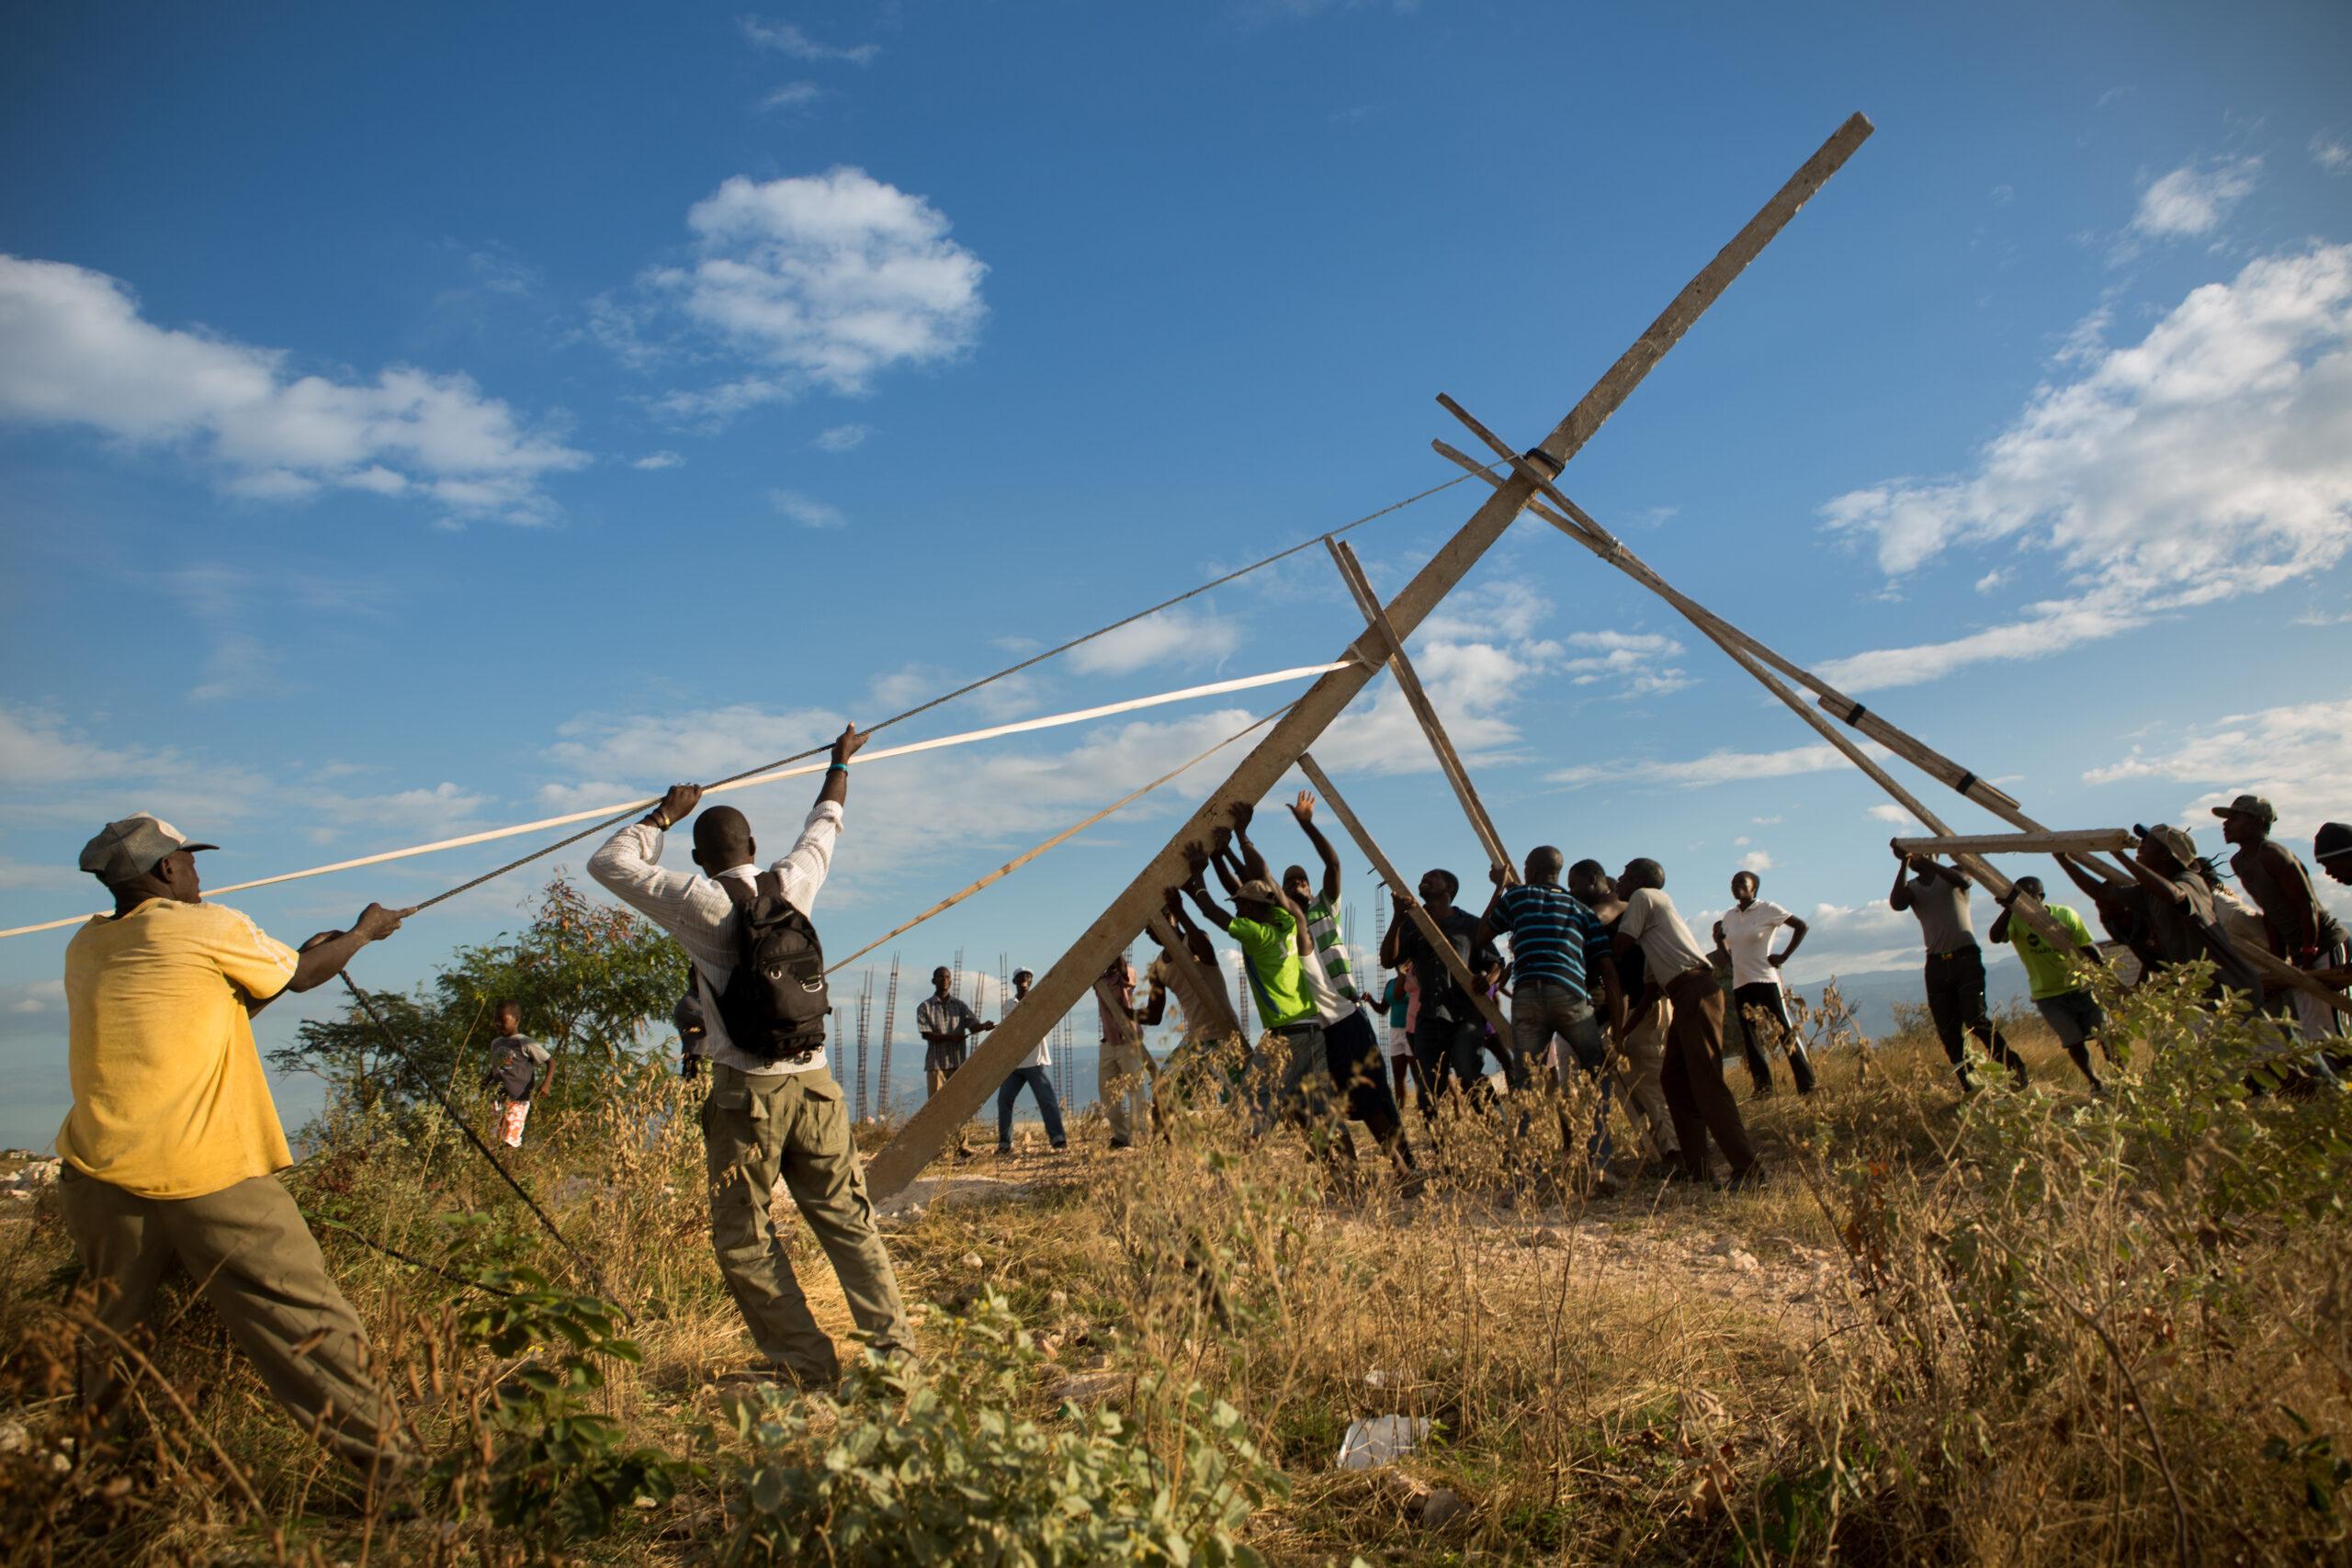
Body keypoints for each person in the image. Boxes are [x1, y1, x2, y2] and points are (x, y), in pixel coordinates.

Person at [57, 813, 418, 1477]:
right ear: (166, 869)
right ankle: (394, 1474)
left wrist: (300, 957)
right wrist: (365, 932)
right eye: (189, 861)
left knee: (110, 1334)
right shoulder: (207, 924)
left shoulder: (87, 946)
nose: (198, 872)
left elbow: (202, 1004)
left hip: (100, 1173)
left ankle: (99, 1482)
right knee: (305, 1319)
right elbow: (303, 977)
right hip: (207, 1172)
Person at [587, 725, 914, 1389]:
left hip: (747, 1093)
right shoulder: (792, 883)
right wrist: (838, 762)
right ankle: (897, 1366)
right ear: (754, 848)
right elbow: (827, 824)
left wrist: (660, 817)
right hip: (816, 1082)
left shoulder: (694, 900)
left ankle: (805, 1363)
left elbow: (609, 864)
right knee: (848, 1223)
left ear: (703, 859)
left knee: (745, 1233)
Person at [1254, 796, 1412, 1168]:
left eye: (1302, 881)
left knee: (1375, 1096)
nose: (1297, 885)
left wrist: (1308, 825)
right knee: (1318, 1101)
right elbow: (1264, 889)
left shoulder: (1323, 907)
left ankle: (1404, 1165)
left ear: (1312, 889)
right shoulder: (1284, 923)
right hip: (1316, 1025)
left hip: (1345, 1013)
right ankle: (1343, 1168)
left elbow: (1334, 863)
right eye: (1290, 882)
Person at [1611, 858, 1764, 1190]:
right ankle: (1698, 1169)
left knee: (1707, 1081)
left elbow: (1619, 947)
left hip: (1696, 992)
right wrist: (1620, 1033)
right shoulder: (1655, 929)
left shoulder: (1644, 897)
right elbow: (1651, 990)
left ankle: (1748, 1170)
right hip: (1685, 997)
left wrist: (1591, 932)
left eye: (1623, 875)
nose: (1618, 882)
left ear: (1638, 879)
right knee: (1674, 1080)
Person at [1181, 829, 1336, 1142]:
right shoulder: (1287, 921)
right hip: (1314, 1028)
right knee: (1318, 1111)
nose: (1238, 910)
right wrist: (1220, 855)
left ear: (1253, 911)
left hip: (1288, 1033)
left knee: (1252, 1104)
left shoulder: (1257, 935)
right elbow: (1251, 885)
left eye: (1241, 907)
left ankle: (1238, 1167)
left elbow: (1212, 911)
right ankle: (1339, 1173)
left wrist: (1196, 880)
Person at [1479, 847, 1620, 1188]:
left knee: (1527, 1084)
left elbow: (1482, 934)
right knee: (1597, 1073)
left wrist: (1499, 888)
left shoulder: (1518, 897)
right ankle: (1600, 1164)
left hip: (1528, 995)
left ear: (1531, 869)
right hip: (1570, 993)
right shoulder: (1581, 909)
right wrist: (1617, 1026)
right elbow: (1606, 969)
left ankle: (1529, 1175)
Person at [1572, 860, 1680, 1176]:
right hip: (1632, 1005)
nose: (1620, 879)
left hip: (1646, 1004)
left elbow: (1615, 948)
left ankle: (1675, 1152)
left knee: (1649, 1080)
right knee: (1637, 1082)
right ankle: (1663, 1150)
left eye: (1575, 884)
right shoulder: (1627, 910)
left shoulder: (1627, 906)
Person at [1889, 845, 2028, 1091]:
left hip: (1966, 958)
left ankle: (2013, 1068)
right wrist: (1903, 864)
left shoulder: (1953, 874)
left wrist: (1927, 861)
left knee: (1975, 1018)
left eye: (1919, 853)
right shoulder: (1912, 888)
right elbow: (1897, 904)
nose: (1913, 859)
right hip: (1936, 963)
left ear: (1934, 854)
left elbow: (1964, 881)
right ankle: (1970, 1084)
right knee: (1948, 1028)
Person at [2217, 795, 2348, 1044]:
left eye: (2235, 818)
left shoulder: (2274, 855)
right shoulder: (2240, 862)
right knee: (2310, 1027)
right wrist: (2278, 963)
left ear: (2257, 822)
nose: (2226, 824)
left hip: (2324, 944)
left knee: (2330, 1029)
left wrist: (2308, 953)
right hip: (2300, 953)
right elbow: (2270, 913)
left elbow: (2305, 905)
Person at [1380, 868, 1508, 1108]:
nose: (1423, 879)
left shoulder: (1469, 925)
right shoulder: (1412, 923)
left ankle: (1499, 1134)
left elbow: (1496, 963)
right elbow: (1388, 960)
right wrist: (1397, 918)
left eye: (1432, 877)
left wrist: (1489, 979)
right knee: (1427, 1093)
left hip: (1466, 1017)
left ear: (1449, 889)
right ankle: (1441, 1145)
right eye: (1422, 876)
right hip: (1428, 1020)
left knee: (1468, 1075)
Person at [1990, 875, 2112, 1089]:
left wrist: (2105, 972)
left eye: (2029, 897)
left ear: (2041, 897)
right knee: (2073, 1041)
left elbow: (2086, 945)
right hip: (2049, 996)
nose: (2024, 903)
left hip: (2081, 988)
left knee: (2107, 1036)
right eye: (2020, 898)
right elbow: (1995, 937)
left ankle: (2123, 1078)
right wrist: (2010, 907)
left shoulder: (2066, 914)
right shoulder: (2015, 920)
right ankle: (2095, 1082)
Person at [1715, 872, 1815, 1095]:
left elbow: (1801, 926)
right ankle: (1763, 1089)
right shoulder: (1729, 916)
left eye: (1741, 882)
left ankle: (1808, 1086)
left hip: (1765, 979)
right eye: (1732, 883)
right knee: (1750, 1039)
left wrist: (1784, 956)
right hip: (1741, 982)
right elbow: (1726, 960)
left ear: (1754, 888)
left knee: (1784, 1032)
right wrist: (1718, 941)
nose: (1735, 886)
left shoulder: (1767, 908)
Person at [995, 968, 1068, 1154]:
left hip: (1035, 1059)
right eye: (1020, 977)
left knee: (1047, 1100)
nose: (1024, 979)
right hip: (1016, 1061)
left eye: (1028, 977)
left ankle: (1058, 1139)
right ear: (1015, 981)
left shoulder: (1039, 999)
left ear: (1032, 980)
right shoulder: (1010, 1004)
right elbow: (1021, 1021)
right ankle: (1005, 1143)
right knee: (1004, 1099)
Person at [1093, 953, 1151, 1149]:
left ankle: (1139, 1135)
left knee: (1135, 1090)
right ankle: (1121, 1134)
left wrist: (1116, 953)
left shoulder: (1126, 975)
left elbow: (1127, 974)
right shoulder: (1099, 979)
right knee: (1107, 1093)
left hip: (1127, 1039)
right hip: (1109, 1042)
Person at [482, 999, 554, 1148]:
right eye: (496, 1021)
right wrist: (486, 1080)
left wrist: (546, 1084)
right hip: (498, 1098)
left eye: (502, 1021)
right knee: (493, 1138)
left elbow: (551, 1062)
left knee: (510, 1140)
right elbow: (496, 1066)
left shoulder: (525, 1042)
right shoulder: (496, 1043)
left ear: (516, 1020)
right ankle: (494, 1167)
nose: (498, 1025)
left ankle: (508, 1169)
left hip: (518, 1099)